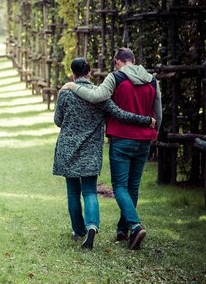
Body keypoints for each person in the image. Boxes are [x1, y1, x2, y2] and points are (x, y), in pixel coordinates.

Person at [62, 48, 162, 250]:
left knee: (119, 187)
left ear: (118, 62)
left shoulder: (115, 77)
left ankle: (134, 226)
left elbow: (96, 96)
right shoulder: (152, 80)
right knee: (132, 187)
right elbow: (158, 113)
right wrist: (153, 130)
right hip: (144, 140)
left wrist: (72, 86)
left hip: (121, 140)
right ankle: (122, 230)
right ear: (133, 60)